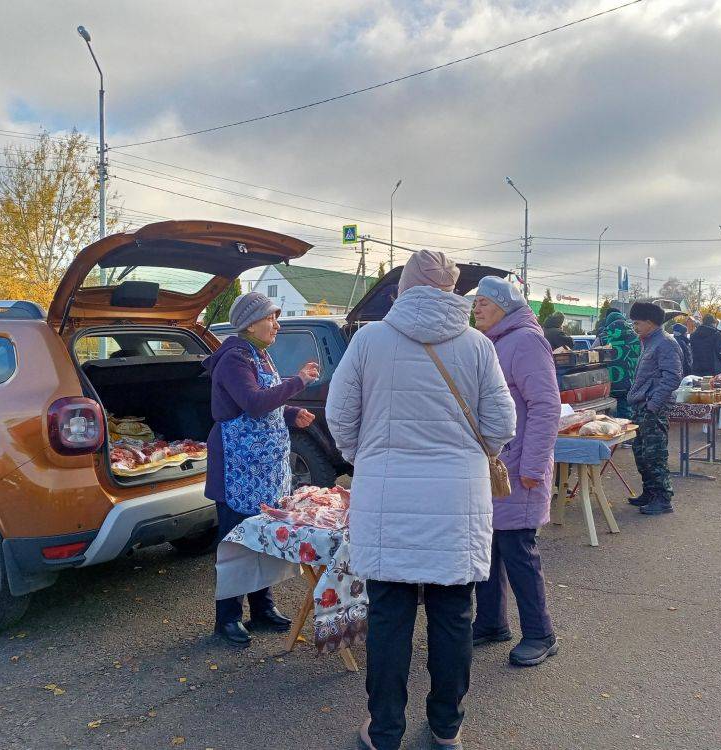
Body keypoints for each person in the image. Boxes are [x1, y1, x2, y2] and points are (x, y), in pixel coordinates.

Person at [326, 249, 515, 750]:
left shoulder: (370, 341)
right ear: (452, 291)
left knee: (389, 618)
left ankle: (385, 732)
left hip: (386, 499)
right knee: (454, 617)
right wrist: (470, 457)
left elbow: (340, 415)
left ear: (403, 290)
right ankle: (446, 728)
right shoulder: (477, 346)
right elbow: (502, 423)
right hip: (458, 504)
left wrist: (366, 456)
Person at [203, 292, 320, 645]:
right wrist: (298, 381)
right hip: (237, 469)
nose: (277, 325)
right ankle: (226, 619)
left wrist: (289, 412)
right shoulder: (234, 360)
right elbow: (253, 403)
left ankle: (262, 608)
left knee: (263, 537)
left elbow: (260, 402)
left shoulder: (260, 356)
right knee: (236, 541)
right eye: (272, 318)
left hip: (263, 471)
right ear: (251, 322)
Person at [470, 277, 560, 668]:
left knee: (519, 550)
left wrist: (533, 467)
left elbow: (545, 405)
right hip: (495, 467)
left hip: (518, 467)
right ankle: (491, 622)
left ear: (506, 305)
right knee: (489, 546)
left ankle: (541, 634)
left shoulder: (524, 340)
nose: (476, 308)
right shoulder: (496, 341)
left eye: (484, 302)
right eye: (475, 302)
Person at [626, 301, 683, 515]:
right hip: (643, 406)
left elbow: (673, 377)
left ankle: (662, 497)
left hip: (653, 408)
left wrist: (653, 404)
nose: (635, 327)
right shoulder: (649, 341)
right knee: (641, 452)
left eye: (637, 323)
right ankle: (649, 492)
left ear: (650, 323)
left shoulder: (665, 343)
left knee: (654, 454)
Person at [594, 310, 642, 419]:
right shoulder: (637, 337)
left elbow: (592, 354)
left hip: (609, 383)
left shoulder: (603, 337)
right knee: (629, 412)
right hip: (632, 381)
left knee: (610, 416)